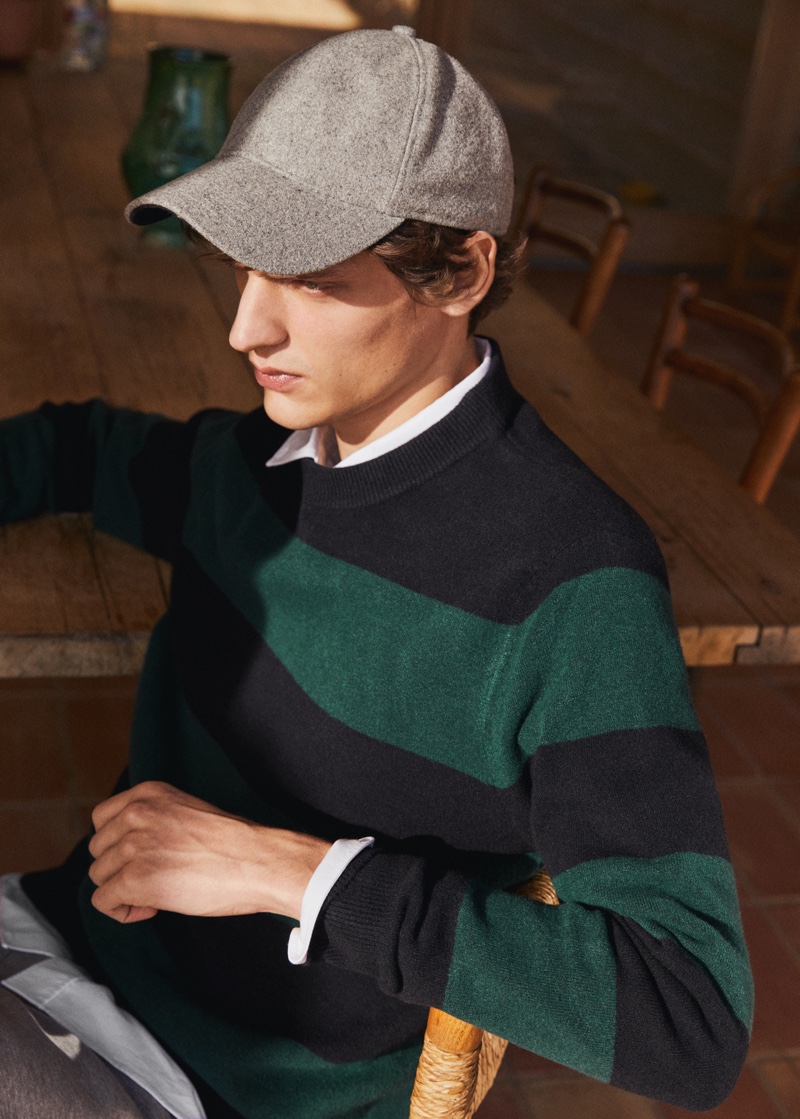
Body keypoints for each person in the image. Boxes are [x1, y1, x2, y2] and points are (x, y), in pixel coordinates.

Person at [0, 25, 752, 1119]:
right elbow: (82, 446)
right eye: (243, 266)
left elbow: (689, 1019)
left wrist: (290, 873)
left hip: (224, 1088)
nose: (246, 328)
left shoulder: (572, 584)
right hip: (60, 944)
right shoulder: (251, 464)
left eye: (310, 280)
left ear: (462, 273)